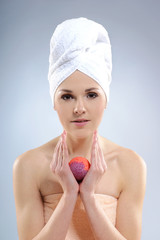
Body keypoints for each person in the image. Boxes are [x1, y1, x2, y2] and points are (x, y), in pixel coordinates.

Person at [13, 17, 146, 240]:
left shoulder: (130, 165)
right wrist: (68, 196)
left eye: (91, 94)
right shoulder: (28, 166)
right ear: (54, 102)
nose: (79, 108)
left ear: (106, 99)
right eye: (67, 96)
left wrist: (89, 197)